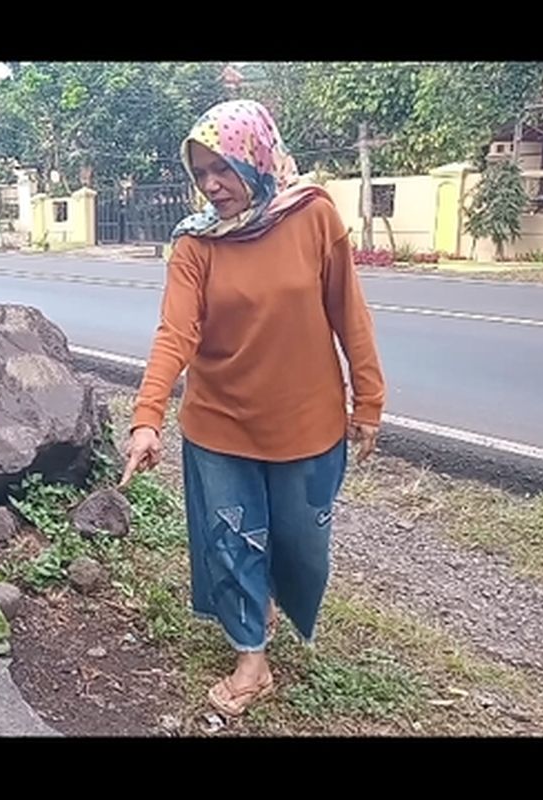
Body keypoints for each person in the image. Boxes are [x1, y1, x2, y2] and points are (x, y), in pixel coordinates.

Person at [119, 100, 385, 717]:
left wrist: (368, 397)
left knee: (301, 547)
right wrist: (147, 417)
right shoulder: (195, 243)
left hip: (308, 422)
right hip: (220, 425)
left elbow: (349, 310)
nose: (211, 185)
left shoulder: (313, 215)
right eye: (200, 173)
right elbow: (175, 334)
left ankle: (271, 602)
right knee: (234, 541)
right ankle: (251, 659)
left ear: (256, 158)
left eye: (223, 169)